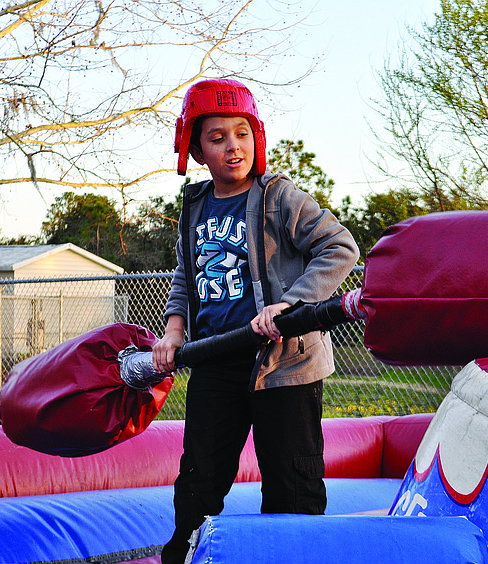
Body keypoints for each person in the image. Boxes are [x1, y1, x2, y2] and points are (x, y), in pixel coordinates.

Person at [152, 78, 359, 564]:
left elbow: (340, 246)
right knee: (200, 478)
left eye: (241, 134)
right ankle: (183, 556)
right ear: (196, 148)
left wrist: (291, 303)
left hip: (284, 362)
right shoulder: (195, 206)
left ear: (257, 138)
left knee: (293, 482)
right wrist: (174, 331)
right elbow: (187, 272)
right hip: (216, 359)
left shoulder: (279, 197)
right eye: (217, 137)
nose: (232, 147)